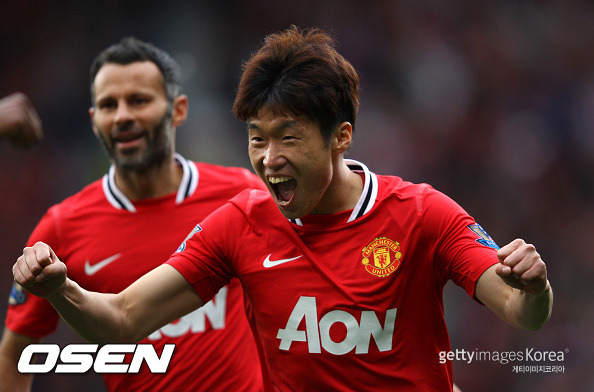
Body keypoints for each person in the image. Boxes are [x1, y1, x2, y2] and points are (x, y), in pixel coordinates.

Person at [12, 27, 553, 392]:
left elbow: (520, 313)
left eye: (288, 137)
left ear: (341, 137)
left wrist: (535, 289)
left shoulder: (421, 214)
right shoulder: (241, 223)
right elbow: (124, 320)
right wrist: (61, 289)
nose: (269, 160)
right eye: (256, 139)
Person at [2, 37, 264, 392]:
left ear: (178, 110)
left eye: (138, 100)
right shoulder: (61, 227)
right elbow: (14, 355)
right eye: (109, 105)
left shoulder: (242, 196)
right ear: (95, 121)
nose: (123, 115)